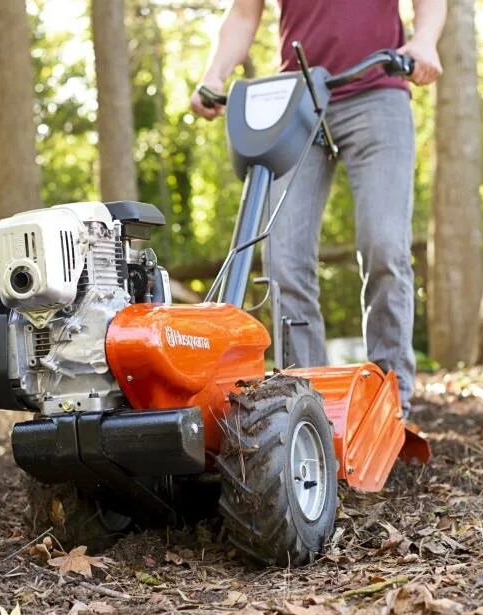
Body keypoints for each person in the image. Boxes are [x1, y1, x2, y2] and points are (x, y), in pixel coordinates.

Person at [190, 0, 446, 417]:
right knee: (283, 259)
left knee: (385, 245)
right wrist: (215, 73)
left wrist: (424, 41)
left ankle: (391, 398)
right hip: (298, 103)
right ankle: (305, 401)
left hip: (377, 90)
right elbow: (242, 12)